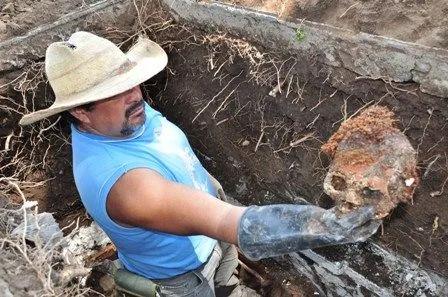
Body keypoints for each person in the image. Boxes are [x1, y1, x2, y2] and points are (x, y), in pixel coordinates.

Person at [19, 31, 381, 297]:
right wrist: (331, 225)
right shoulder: (122, 184)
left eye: (131, 82)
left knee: (227, 282)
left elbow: (178, 158)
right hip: (183, 280)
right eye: (116, 92)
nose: (136, 95)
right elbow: (226, 220)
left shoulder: (122, 118)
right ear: (81, 112)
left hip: (213, 246)